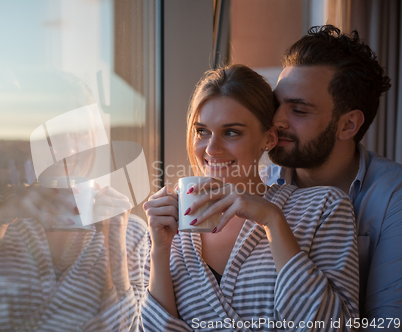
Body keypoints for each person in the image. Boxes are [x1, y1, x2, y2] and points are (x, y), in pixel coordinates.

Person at [141, 64, 359, 331]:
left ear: (268, 139)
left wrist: (272, 219)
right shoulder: (169, 227)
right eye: (202, 131)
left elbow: (339, 327)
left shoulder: (323, 208)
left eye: (231, 132)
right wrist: (160, 250)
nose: (211, 148)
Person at [266, 25, 402, 327]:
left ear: (348, 125)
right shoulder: (260, 185)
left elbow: (388, 323)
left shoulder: (394, 198)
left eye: (299, 110)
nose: (276, 120)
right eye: (277, 105)